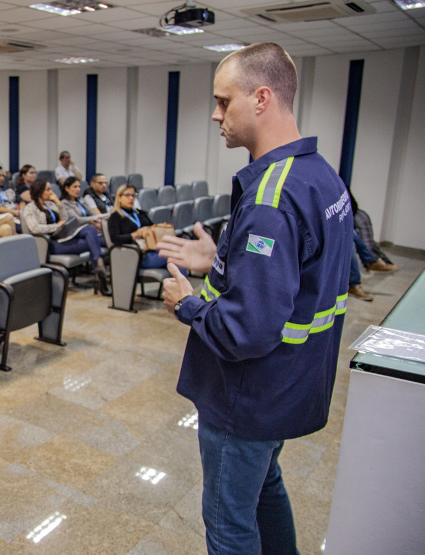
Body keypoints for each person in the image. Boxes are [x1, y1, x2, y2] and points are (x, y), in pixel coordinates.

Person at [156, 43, 353, 555]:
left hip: (248, 394)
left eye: (224, 101)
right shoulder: (320, 176)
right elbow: (296, 274)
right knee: (266, 487)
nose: (215, 114)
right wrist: (222, 256)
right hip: (288, 385)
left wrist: (188, 302)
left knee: (228, 524)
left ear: (261, 98)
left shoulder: (272, 197)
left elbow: (246, 330)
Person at [21, 179, 109, 295]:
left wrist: (58, 202)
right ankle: (100, 273)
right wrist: (55, 226)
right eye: (48, 189)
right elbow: (35, 228)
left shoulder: (50, 204)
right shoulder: (30, 208)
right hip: (50, 244)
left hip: (62, 237)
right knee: (93, 242)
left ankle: (99, 268)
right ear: (39, 191)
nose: (51, 192)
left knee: (90, 230)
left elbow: (65, 219)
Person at [108, 184, 181, 272]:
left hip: (151, 249)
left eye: (133, 195)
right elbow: (115, 238)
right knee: (174, 257)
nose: (131, 198)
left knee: (176, 255)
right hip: (137, 255)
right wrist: (135, 235)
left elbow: (153, 227)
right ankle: (184, 284)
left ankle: (181, 284)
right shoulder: (115, 217)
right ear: (119, 198)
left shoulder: (140, 213)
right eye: (127, 195)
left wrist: (148, 230)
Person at [349, 191, 396, 270]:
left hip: (353, 213)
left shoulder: (340, 185)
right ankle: (372, 261)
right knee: (353, 241)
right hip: (348, 215)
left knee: (366, 241)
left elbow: (352, 204)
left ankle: (378, 261)